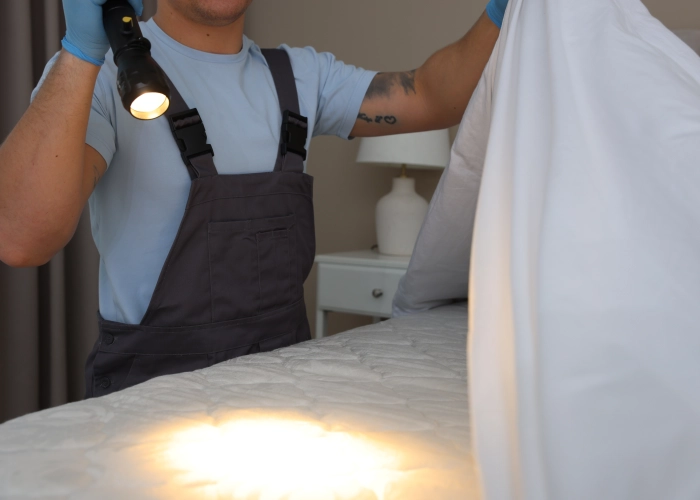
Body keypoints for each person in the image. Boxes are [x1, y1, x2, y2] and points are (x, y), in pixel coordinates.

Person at [0, 0, 509, 397]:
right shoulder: (101, 79)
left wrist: (502, 13)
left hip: (283, 387)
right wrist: (81, 55)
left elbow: (431, 95)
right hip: (147, 392)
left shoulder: (302, 78)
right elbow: (19, 239)